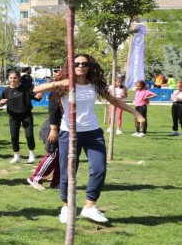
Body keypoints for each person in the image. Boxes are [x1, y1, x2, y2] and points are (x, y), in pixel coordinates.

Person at [33, 54, 144, 223]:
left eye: (84, 64)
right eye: (76, 64)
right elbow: (36, 90)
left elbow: (114, 100)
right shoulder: (64, 85)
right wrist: (59, 83)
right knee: (68, 172)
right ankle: (66, 207)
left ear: (89, 66)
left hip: (93, 132)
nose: (80, 66)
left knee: (99, 168)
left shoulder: (94, 85)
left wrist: (136, 113)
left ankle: (89, 206)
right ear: (71, 66)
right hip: (69, 133)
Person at [0, 70, 42, 164]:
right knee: (14, 136)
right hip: (13, 116)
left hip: (26, 115)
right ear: (8, 79)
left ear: (19, 78)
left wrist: (40, 94)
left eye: (15, 78)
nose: (13, 80)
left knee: (29, 135)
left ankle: (31, 154)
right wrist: (0, 103)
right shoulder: (5, 90)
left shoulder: (25, 88)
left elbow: (37, 97)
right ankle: (16, 156)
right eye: (11, 78)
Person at [27, 91, 62, 191]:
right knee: (53, 154)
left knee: (61, 156)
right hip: (52, 129)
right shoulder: (57, 93)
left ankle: (57, 182)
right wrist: (53, 130)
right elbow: (53, 112)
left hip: (64, 129)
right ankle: (35, 178)